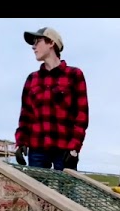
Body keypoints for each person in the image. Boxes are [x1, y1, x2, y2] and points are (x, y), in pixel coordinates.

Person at [14, 27, 89, 171]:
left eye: (37, 41)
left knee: (64, 193)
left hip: (65, 149)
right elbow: (25, 115)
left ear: (51, 43)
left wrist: (74, 148)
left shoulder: (74, 75)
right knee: (37, 192)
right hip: (37, 149)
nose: (33, 47)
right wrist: (21, 141)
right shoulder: (32, 79)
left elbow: (81, 116)